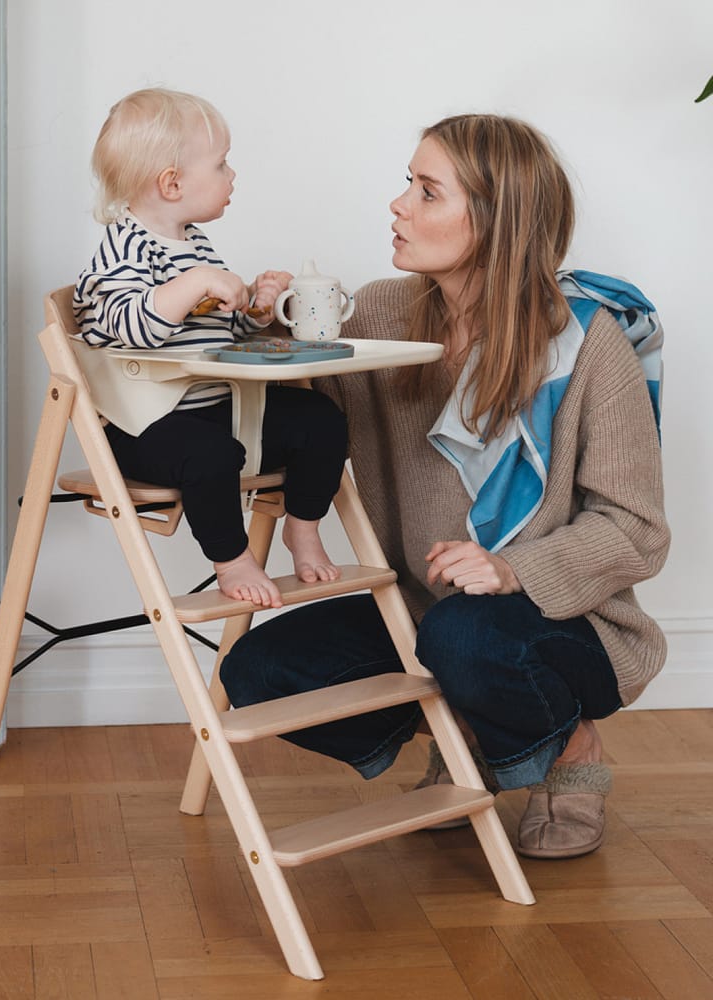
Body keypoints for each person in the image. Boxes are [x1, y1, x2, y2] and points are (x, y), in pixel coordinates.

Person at [220, 113, 670, 859]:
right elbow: (300, 430)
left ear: (495, 220)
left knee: (465, 633)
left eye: (426, 191)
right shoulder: (382, 313)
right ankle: (466, 733)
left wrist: (511, 568)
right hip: (420, 613)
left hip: (559, 622)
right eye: (408, 184)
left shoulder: (589, 344)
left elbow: (636, 529)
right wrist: (265, 330)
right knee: (259, 670)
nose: (398, 205)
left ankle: (571, 753)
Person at [74, 88, 347, 607]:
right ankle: (231, 557)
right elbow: (133, 327)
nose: (233, 175)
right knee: (211, 455)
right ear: (172, 183)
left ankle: (304, 527)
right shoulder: (122, 249)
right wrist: (196, 281)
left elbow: (220, 334)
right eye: (221, 163)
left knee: (320, 418)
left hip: (221, 409)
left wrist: (258, 311)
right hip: (146, 428)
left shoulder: (195, 241)